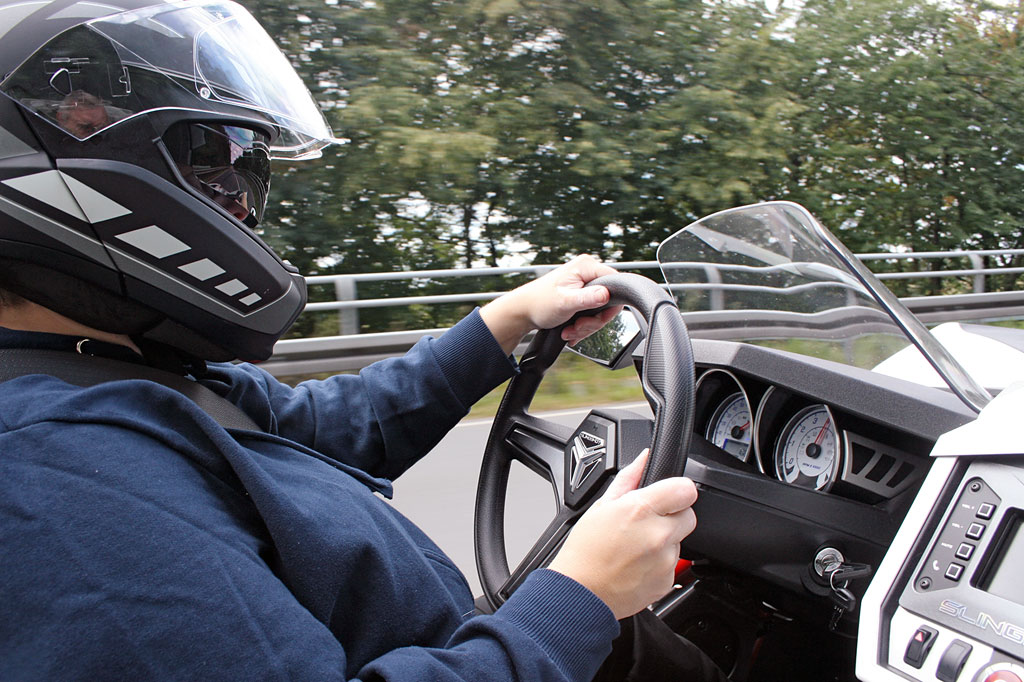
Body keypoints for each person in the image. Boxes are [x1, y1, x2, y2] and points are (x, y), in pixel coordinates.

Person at [0, 1, 725, 679]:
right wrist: (578, 596)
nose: (242, 202)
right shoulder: (55, 484)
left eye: (250, 166)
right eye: (211, 157)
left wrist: (506, 320)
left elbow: (330, 428)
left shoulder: (127, 371)